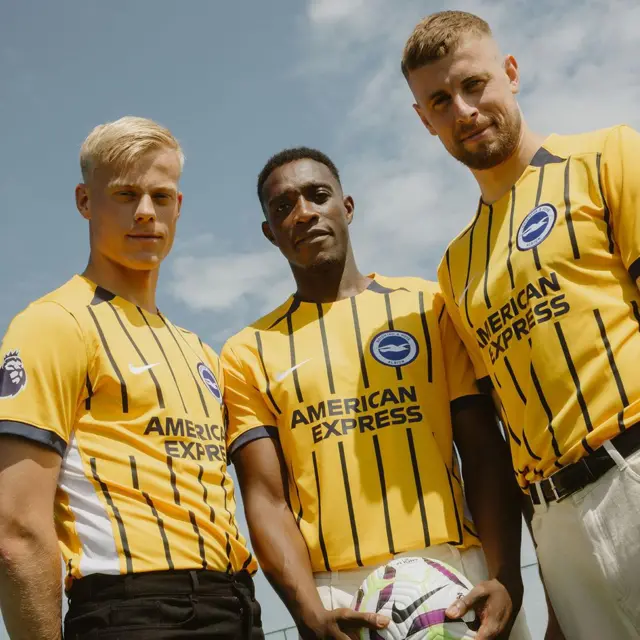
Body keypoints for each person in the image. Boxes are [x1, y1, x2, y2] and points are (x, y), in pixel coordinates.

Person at [220, 147, 531, 639]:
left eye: (318, 196)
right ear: (269, 233)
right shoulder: (247, 352)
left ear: (347, 207)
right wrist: (309, 613)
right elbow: (265, 499)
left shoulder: (428, 306)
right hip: (335, 593)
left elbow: (483, 449)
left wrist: (506, 576)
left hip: (458, 571)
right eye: (282, 207)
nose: (303, 212)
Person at [401, 10, 640, 639]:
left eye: (474, 84)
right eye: (440, 101)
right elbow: (504, 421)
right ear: (425, 121)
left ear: (510, 72)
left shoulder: (608, 154)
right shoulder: (453, 269)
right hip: (554, 521)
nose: (464, 110)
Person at [0, 116, 262, 640]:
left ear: (178, 207)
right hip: (133, 612)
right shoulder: (55, 323)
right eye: (125, 194)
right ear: (84, 201)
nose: (146, 212)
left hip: (236, 605)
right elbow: (16, 525)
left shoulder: (201, 352)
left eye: (161, 196)